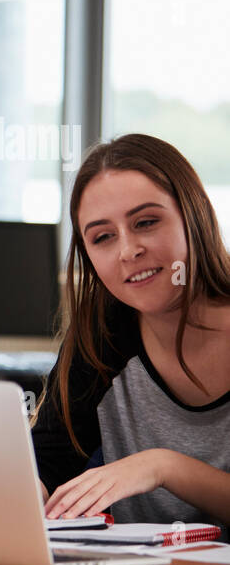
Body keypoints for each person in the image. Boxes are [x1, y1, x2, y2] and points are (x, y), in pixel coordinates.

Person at [34, 135, 230, 528]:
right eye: (103, 237)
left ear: (195, 215)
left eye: (146, 222)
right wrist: (19, 491)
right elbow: (47, 465)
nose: (127, 251)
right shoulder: (101, 341)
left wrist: (163, 467)